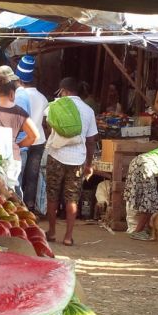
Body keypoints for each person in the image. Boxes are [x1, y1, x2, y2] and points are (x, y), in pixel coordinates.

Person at [44, 76, 98, 246]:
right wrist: (89, 163)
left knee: (52, 196)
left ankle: (52, 232)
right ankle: (68, 237)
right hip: (77, 160)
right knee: (72, 198)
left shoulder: (54, 106)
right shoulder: (88, 110)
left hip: (55, 156)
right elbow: (91, 141)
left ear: (63, 90)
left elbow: (48, 128)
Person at [0, 77, 39, 194]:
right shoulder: (20, 113)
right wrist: (18, 144)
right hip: (13, 160)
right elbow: (34, 136)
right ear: (12, 93)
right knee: (11, 191)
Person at [123, 142, 158, 240]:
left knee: (140, 198)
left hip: (137, 162)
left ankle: (138, 228)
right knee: (151, 203)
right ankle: (138, 232)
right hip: (146, 166)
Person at [15, 55, 49, 210]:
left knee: (18, 176)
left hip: (21, 141)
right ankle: (29, 206)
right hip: (38, 141)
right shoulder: (42, 98)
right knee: (32, 177)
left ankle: (17, 206)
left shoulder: (17, 96)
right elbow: (45, 122)